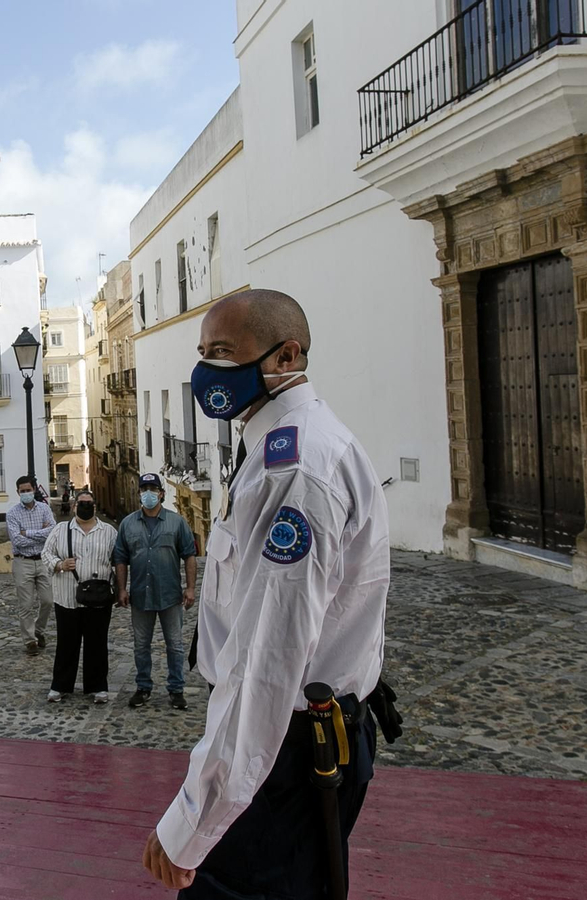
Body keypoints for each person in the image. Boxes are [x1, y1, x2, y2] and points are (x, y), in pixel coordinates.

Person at [141, 290, 390, 898]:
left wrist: (192, 824)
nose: (208, 369)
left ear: (287, 356)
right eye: (204, 352)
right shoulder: (275, 443)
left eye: (225, 352)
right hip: (287, 747)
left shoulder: (296, 469)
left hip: (285, 753)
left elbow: (266, 661)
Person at [113, 474, 198, 711]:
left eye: (152, 489)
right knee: (141, 645)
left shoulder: (177, 522)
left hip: (170, 595)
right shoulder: (128, 524)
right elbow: (120, 558)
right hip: (140, 595)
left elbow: (189, 555)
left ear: (161, 493)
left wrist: (190, 588)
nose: (148, 493)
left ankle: (176, 689)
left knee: (175, 645)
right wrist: (122, 588)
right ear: (139, 493)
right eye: (144, 489)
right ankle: (143, 687)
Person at [42, 490, 116, 704]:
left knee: (97, 643)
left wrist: (119, 589)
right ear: (74, 506)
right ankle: (60, 685)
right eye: (81, 503)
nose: (85, 507)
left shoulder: (109, 532)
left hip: (98, 598)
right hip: (67, 597)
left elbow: (118, 560)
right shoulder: (61, 530)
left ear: (95, 506)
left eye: (89, 503)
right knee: (67, 643)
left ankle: (97, 686)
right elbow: (46, 553)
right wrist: (59, 564)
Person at [5, 475, 56, 656]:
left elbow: (52, 532)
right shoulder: (12, 514)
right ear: (18, 492)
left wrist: (27, 532)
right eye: (22, 491)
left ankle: (38, 630)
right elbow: (17, 541)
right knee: (25, 604)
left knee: (48, 600)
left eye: (28, 490)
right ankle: (30, 640)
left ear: (34, 489)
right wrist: (40, 533)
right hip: (23, 562)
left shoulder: (44, 509)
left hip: (43, 560)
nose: (26, 493)